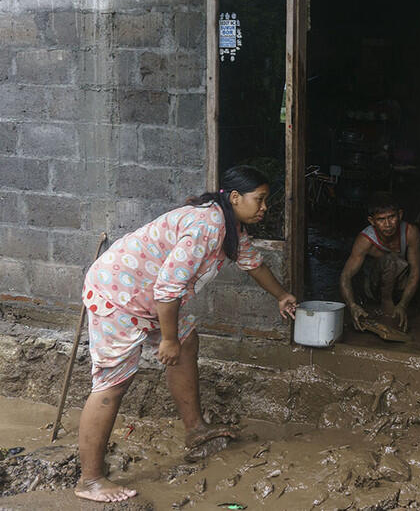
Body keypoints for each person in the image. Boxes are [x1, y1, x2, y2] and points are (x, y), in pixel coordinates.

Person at [74, 165, 298, 503]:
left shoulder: (229, 225)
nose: (265, 208)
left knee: (188, 341)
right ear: (235, 198)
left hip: (148, 295)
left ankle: (195, 429)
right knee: (113, 384)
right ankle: (90, 480)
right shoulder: (208, 226)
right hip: (119, 295)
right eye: (261, 200)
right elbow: (167, 289)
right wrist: (167, 340)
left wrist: (281, 295)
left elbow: (253, 263)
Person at [339, 192, 420, 333]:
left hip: (403, 284)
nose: (388, 224)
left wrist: (403, 305)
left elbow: (415, 272)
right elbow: (345, 276)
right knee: (391, 259)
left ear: (400, 215)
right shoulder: (365, 240)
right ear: (372, 221)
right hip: (377, 288)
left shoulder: (410, 232)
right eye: (381, 219)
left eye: (392, 217)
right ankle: (387, 308)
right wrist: (352, 305)